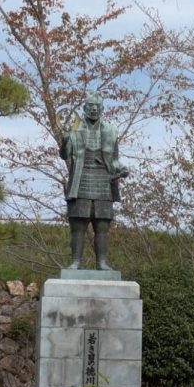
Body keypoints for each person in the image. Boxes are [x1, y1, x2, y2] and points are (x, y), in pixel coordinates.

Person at [59, 92, 129, 271]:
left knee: (102, 226)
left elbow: (113, 159)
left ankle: (102, 262)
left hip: (104, 182)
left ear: (102, 109)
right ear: (84, 109)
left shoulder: (111, 131)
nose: (94, 110)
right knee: (78, 226)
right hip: (80, 181)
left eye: (97, 107)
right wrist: (65, 139)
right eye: (90, 107)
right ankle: (75, 262)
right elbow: (64, 155)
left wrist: (121, 169)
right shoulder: (74, 130)